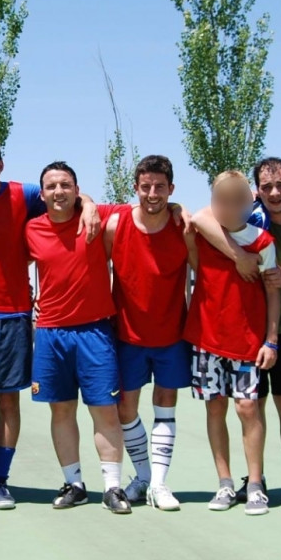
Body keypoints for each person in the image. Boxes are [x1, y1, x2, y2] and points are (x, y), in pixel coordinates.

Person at [0, 133, 101, 513]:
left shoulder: (23, 193)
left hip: (12, 315)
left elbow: (69, 193)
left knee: (7, 400)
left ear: (1, 165)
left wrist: (90, 204)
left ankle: (0, 482)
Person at [192, 158, 281, 510]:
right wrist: (237, 255)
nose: (275, 192)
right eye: (267, 187)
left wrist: (272, 336)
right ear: (257, 192)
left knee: (275, 404)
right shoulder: (220, 226)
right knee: (233, 406)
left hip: (274, 332)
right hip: (220, 337)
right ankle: (243, 481)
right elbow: (198, 217)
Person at [26, 161, 130, 514]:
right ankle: (74, 484)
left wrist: (89, 205)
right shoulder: (31, 229)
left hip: (95, 331)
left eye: (66, 185)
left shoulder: (97, 217)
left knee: (105, 411)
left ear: (76, 189)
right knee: (62, 411)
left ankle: (113, 487)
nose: (59, 192)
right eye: (52, 186)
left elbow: (139, 209)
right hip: (51, 334)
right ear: (42, 195)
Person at [184, 170, 280, 516]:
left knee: (247, 409)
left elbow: (273, 293)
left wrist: (271, 340)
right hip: (206, 340)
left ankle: (255, 484)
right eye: (220, 200)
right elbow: (193, 220)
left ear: (249, 201)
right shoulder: (203, 234)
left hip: (248, 342)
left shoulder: (263, 242)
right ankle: (224, 483)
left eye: (235, 201)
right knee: (215, 409)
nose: (227, 207)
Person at [103, 155, 195, 511]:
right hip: (126, 335)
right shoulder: (116, 226)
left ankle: (159, 484)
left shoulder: (184, 228)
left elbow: (204, 272)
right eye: (146, 187)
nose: (152, 193)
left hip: (172, 334)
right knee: (125, 409)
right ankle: (143, 477)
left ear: (171, 189)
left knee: (165, 408)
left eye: (160, 187)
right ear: (136, 188)